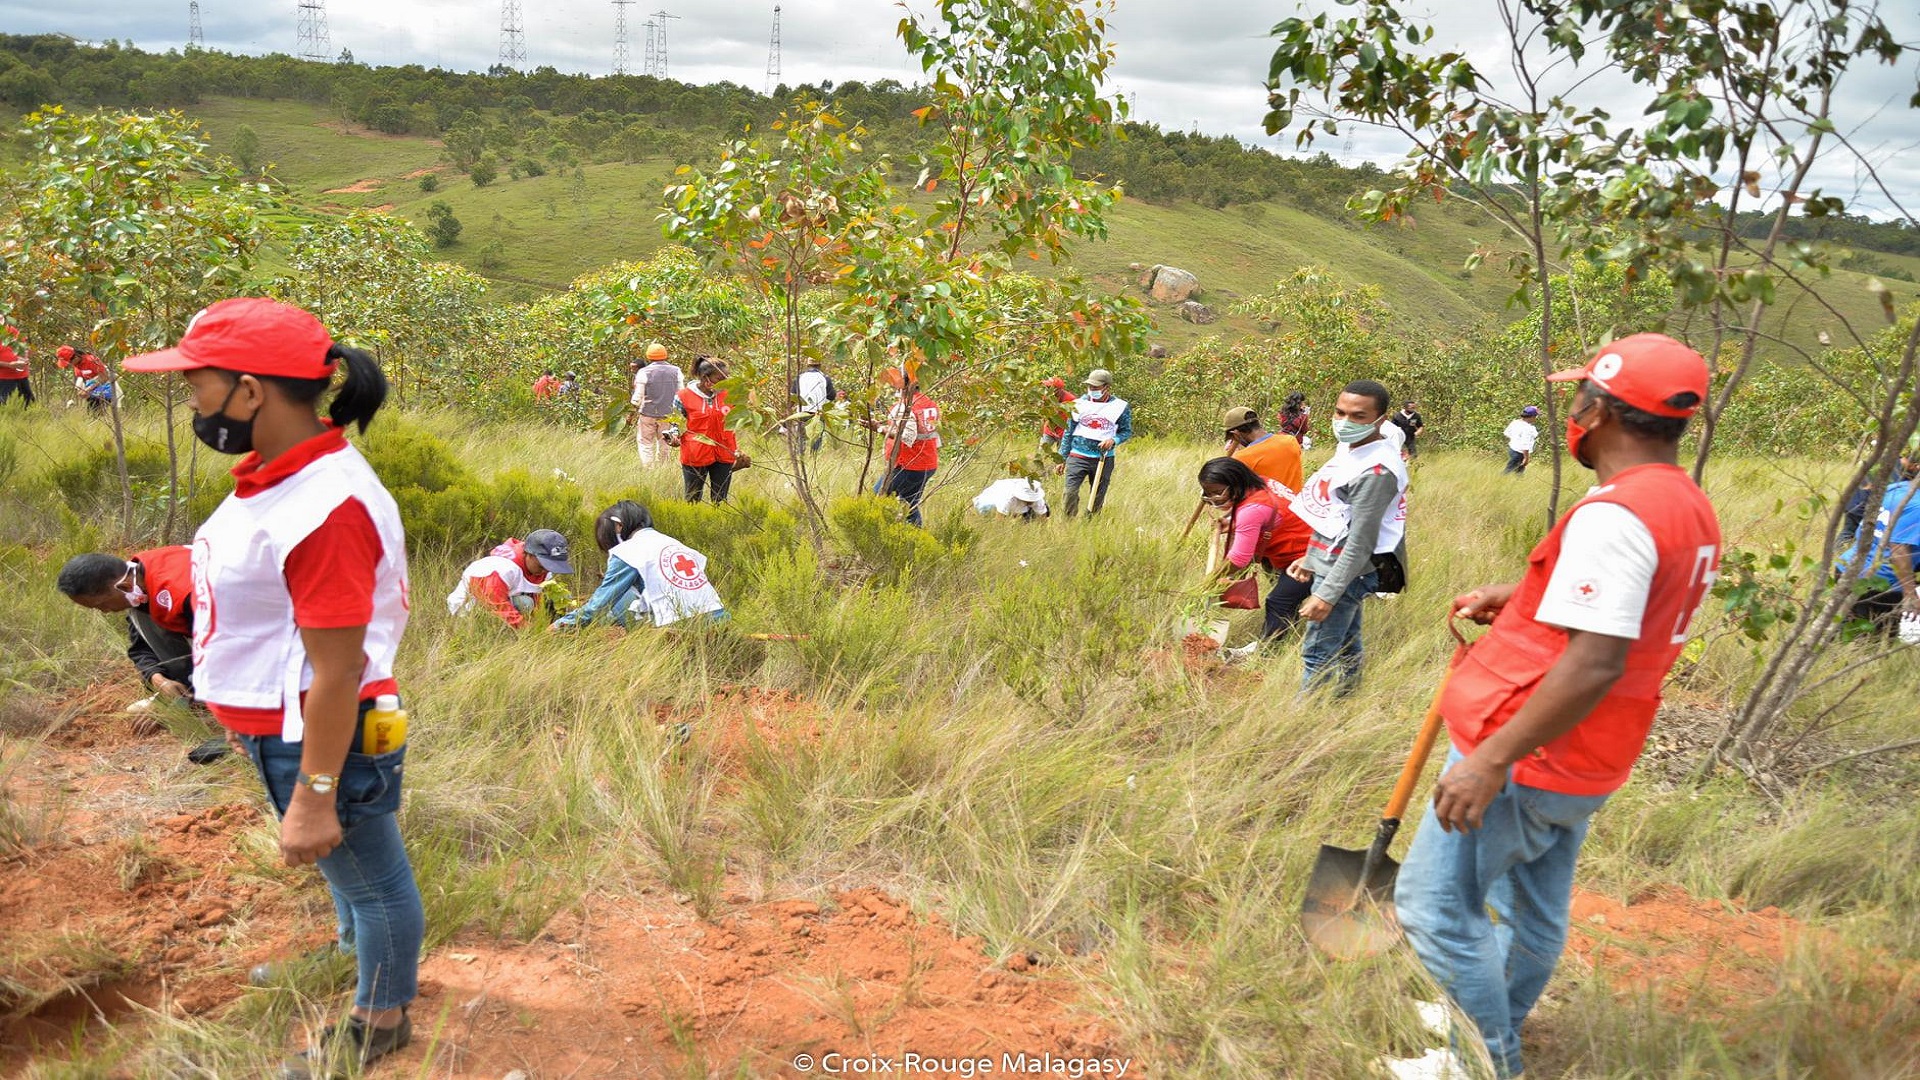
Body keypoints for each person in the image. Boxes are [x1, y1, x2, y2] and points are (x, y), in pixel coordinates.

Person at [1384, 334, 1722, 1080]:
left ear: (1597, 410)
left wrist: (1490, 762)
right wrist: (1528, 597)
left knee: (1436, 907)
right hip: (1594, 752)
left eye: (1578, 398)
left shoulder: (1617, 515)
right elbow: (1626, 612)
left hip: (1532, 750)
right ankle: (1482, 1022)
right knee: (1533, 907)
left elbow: (1596, 659)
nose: (1573, 411)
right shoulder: (1683, 503)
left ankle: (1485, 1062)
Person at [121, 297, 422, 1076]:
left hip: (320, 728)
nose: (191, 400)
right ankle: (345, 956)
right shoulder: (278, 476)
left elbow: (337, 669)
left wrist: (316, 792)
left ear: (250, 392)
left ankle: (380, 1018)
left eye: (199, 384)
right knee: (347, 872)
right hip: (279, 723)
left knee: (374, 877)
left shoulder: (326, 507)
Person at [1286, 379, 1409, 696]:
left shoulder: (1376, 471)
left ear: (1380, 419)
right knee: (1347, 644)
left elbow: (1360, 541)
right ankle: (1346, 701)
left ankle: (1303, 725)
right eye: (1340, 412)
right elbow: (1336, 514)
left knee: (1317, 653)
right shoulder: (1352, 450)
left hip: (1349, 571)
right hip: (1337, 563)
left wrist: (1327, 594)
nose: (1345, 422)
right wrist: (1312, 556)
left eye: (1358, 416)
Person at [55, 547, 228, 764]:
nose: (105, 612)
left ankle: (253, 733)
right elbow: (140, 648)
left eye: (102, 604)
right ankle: (195, 694)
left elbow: (228, 653)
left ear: (122, 586)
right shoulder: (137, 586)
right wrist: (159, 680)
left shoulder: (184, 592)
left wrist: (172, 709)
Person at [1196, 458, 1315, 660]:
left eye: (1216, 491)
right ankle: (1282, 641)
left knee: (1279, 601)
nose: (1211, 497)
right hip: (1297, 547)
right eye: (1206, 492)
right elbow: (1266, 516)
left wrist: (1210, 580)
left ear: (1235, 484)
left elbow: (1239, 559)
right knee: (1287, 600)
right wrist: (1231, 523)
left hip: (1309, 556)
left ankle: (1265, 656)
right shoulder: (1260, 482)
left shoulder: (1252, 509)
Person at [1834, 438, 1919, 636]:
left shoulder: (1896, 489)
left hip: (1847, 567)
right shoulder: (1917, 506)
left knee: (1841, 635)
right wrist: (1910, 593)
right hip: (1878, 584)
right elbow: (1898, 550)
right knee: (1872, 645)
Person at [861, 366, 941, 527]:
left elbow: (907, 437)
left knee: (878, 497)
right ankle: (915, 540)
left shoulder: (905, 406)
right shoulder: (929, 403)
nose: (893, 381)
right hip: (927, 463)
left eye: (897, 377)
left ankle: (876, 537)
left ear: (906, 382)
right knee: (909, 504)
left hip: (908, 464)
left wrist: (878, 428)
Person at [447, 530, 575, 629]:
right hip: (469, 613)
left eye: (551, 566)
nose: (546, 570)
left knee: (550, 600)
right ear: (529, 554)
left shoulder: (541, 571)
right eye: (543, 565)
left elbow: (538, 603)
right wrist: (529, 632)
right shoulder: (503, 569)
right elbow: (497, 605)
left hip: (506, 606)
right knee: (524, 603)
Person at [1060, 368, 1133, 517]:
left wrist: (1113, 440)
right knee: (1070, 492)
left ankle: (1090, 524)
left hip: (1103, 458)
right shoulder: (1077, 404)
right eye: (1089, 386)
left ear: (1107, 387)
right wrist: (1062, 457)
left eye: (1096, 387)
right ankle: (1068, 522)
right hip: (1077, 456)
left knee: (1097, 497)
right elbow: (1068, 432)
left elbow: (1126, 431)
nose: (1091, 389)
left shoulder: (1120, 407)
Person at [674, 357, 741, 503]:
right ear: (706, 378)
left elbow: (737, 420)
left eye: (726, 377)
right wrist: (673, 437)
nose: (726, 381)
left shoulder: (729, 395)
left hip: (724, 452)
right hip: (695, 454)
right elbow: (676, 424)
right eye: (720, 378)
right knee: (692, 498)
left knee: (720, 499)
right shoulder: (683, 397)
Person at [1222, 406, 1304, 493]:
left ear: (1235, 433)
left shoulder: (1241, 458)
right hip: (1296, 504)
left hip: (1267, 506)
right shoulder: (1290, 441)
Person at [631, 343, 683, 465]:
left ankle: (648, 468)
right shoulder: (676, 371)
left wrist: (635, 404)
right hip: (668, 415)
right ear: (665, 356)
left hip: (647, 414)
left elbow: (637, 397)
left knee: (645, 442)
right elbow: (681, 393)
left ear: (648, 357)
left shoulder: (644, 372)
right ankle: (662, 467)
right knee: (665, 442)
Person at [792, 357, 840, 453]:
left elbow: (792, 397)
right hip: (818, 413)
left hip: (802, 412)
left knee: (801, 437)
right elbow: (832, 396)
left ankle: (799, 456)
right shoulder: (825, 378)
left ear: (807, 365)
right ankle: (814, 458)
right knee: (816, 437)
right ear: (819, 365)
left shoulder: (799, 377)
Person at [972, 469, 1050, 521]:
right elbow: (999, 520)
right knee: (987, 514)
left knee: (1043, 511)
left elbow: (1043, 516)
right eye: (1029, 499)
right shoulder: (1007, 498)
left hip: (1018, 508)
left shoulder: (1037, 496)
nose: (1031, 501)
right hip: (992, 502)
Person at [1039, 377, 1077, 454]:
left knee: (1061, 458)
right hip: (1049, 430)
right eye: (1046, 387)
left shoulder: (1071, 399)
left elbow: (1075, 418)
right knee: (1041, 453)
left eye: (1049, 387)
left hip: (1063, 433)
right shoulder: (1046, 397)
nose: (1047, 389)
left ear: (1058, 389)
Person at [1503, 405, 1540, 475]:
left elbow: (1506, 433)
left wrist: (1515, 439)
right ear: (1532, 416)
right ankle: (1499, 481)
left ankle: (1517, 483)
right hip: (1519, 453)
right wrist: (1526, 458)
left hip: (1512, 449)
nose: (1536, 418)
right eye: (1536, 416)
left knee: (1519, 473)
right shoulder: (1528, 428)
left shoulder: (1515, 422)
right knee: (1508, 471)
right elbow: (1525, 444)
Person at [0, 326, 31, 406]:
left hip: (21, 378)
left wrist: (25, 358)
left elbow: (24, 347)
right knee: (6, 408)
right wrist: (9, 365)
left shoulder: (10, 330)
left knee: (29, 406)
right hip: (4, 380)